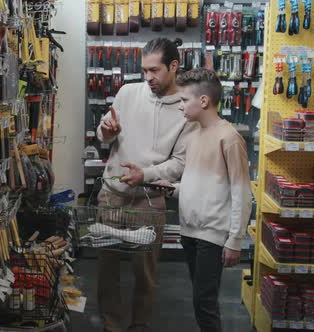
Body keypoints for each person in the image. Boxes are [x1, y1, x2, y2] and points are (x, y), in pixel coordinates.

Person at [95, 37, 197, 332]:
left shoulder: (185, 109)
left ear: (174, 66)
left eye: (155, 70)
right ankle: (111, 326)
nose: (148, 78)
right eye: (144, 70)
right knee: (107, 272)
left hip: (149, 202)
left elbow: (179, 162)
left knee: (146, 275)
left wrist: (147, 174)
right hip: (112, 197)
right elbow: (104, 134)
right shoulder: (128, 93)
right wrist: (106, 131)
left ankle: (140, 326)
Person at [156, 68, 252, 332]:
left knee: (204, 301)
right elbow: (198, 182)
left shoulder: (229, 138)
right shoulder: (194, 136)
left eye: (185, 100)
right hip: (190, 231)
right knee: (201, 302)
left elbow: (242, 192)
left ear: (204, 102)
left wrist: (235, 239)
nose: (181, 107)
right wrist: (174, 189)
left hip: (211, 234)